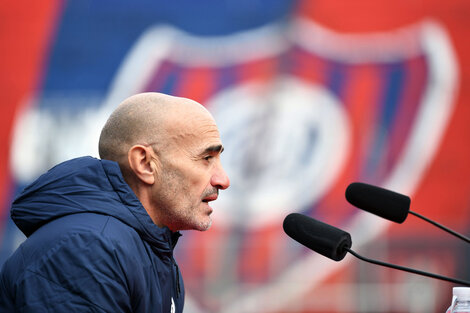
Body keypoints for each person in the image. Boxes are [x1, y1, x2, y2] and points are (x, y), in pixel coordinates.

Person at [0, 92, 230, 312]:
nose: (223, 180)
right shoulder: (88, 248)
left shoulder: (148, 250)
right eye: (206, 158)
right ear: (145, 164)